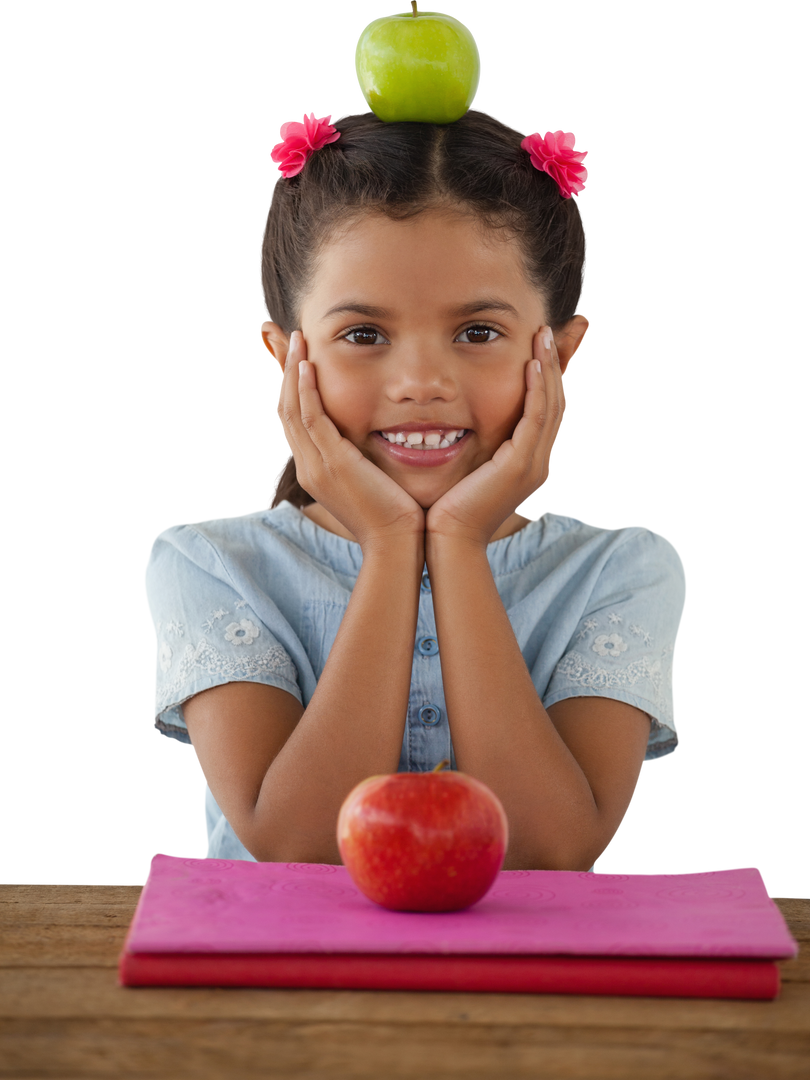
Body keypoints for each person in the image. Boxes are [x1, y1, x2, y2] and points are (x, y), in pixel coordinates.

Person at [142, 107, 689, 873]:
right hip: (275, 994)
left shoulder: (622, 570)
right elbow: (296, 847)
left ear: (561, 353)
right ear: (285, 355)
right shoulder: (207, 562)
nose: (421, 384)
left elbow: (551, 851)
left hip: (533, 996)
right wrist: (395, 541)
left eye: (477, 333)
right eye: (363, 334)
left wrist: (459, 542)